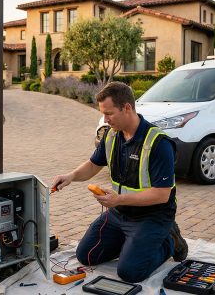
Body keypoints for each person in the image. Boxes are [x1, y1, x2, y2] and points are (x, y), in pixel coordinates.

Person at [51, 81, 188, 283]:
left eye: (109, 113)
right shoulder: (111, 135)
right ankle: (133, 243)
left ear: (127, 108)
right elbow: (93, 164)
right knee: (86, 256)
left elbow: (162, 194)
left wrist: (118, 200)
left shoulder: (158, 143)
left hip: (152, 217)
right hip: (119, 213)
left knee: (130, 272)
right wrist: (70, 176)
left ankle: (169, 241)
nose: (105, 119)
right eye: (103, 114)